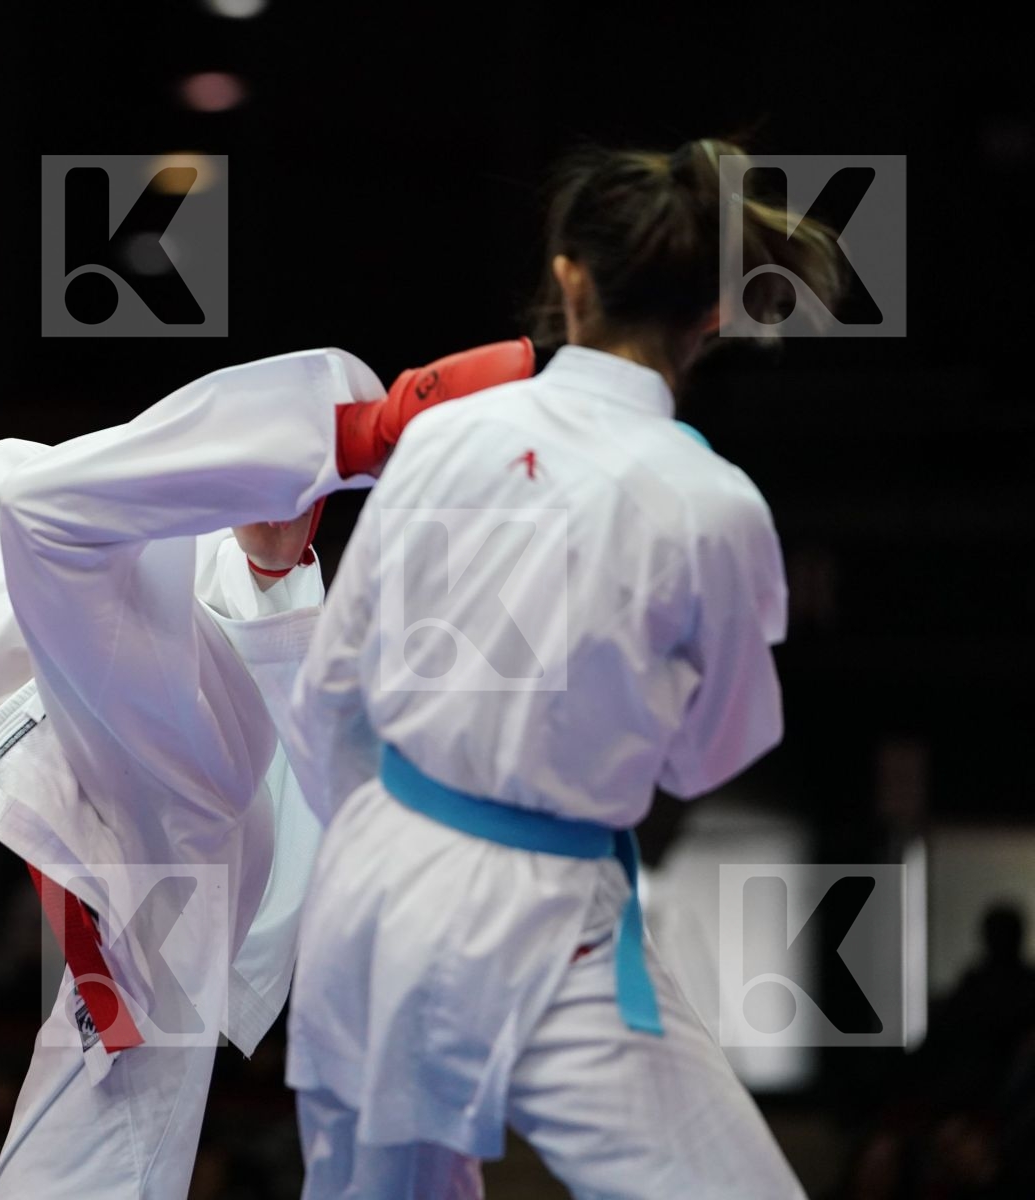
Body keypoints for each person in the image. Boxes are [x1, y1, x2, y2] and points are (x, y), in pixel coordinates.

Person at [0, 313, 536, 1197]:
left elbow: (138, 521)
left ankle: (354, 427)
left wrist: (258, 566)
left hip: (166, 750)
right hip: (127, 885)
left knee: (48, 512)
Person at [283, 136, 849, 1198]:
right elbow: (707, 754)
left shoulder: (448, 435)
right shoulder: (713, 507)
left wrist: (372, 848)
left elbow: (333, 681)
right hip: (542, 900)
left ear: (569, 280)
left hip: (376, 871)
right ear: (713, 315)